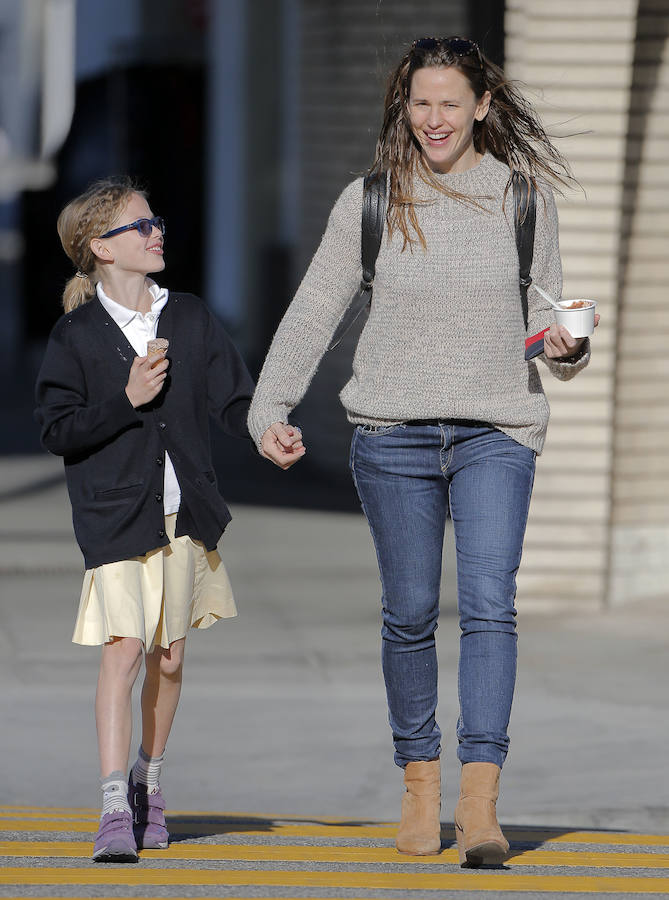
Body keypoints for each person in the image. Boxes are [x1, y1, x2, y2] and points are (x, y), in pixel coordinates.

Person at [247, 37, 598, 866]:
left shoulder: (523, 199)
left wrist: (567, 347)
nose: (433, 118)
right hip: (391, 435)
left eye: (449, 102)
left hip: (495, 433)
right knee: (407, 615)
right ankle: (419, 785)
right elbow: (314, 309)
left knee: (488, 606)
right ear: (403, 107)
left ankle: (479, 806)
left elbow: (541, 327)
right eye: (420, 103)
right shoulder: (370, 201)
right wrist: (269, 406)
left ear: (481, 106)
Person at [35, 178, 254, 862]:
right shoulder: (75, 335)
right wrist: (125, 399)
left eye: (155, 221)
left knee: (171, 655)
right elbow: (57, 429)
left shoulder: (187, 316)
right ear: (101, 247)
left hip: (184, 513)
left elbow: (233, 397)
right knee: (124, 648)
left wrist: (267, 430)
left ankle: (148, 783)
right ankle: (111, 807)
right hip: (115, 515)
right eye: (141, 225)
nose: (157, 231)